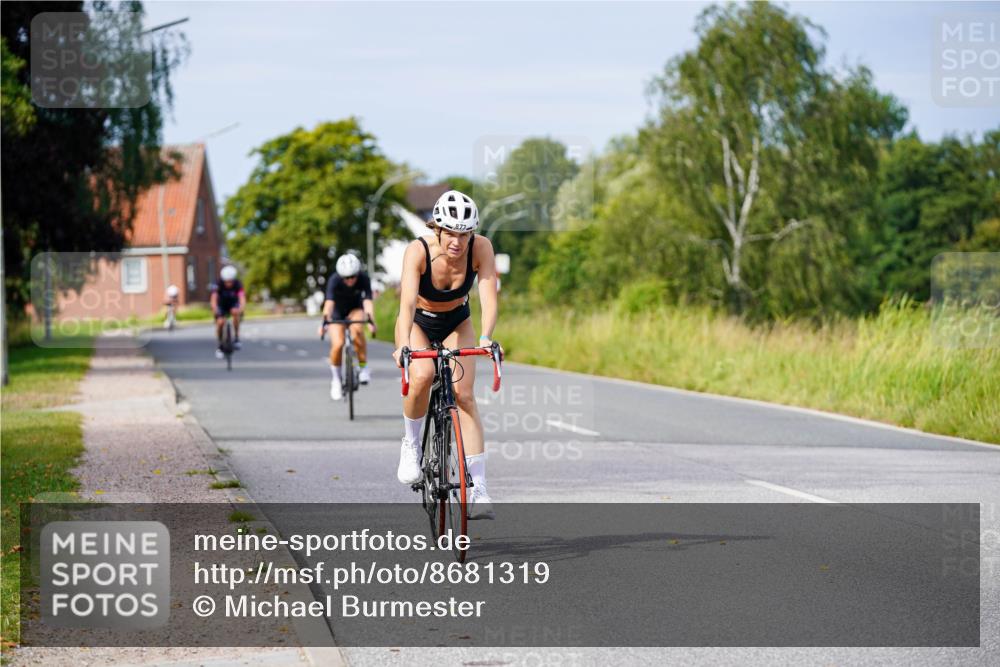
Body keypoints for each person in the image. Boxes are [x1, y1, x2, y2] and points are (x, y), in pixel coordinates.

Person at [392, 190, 501, 520]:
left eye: (464, 234)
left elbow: (488, 297)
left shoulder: (481, 248)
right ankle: (411, 444)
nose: (457, 242)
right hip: (420, 323)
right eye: (451, 233)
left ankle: (478, 488)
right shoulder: (418, 251)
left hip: (457, 321)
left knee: (464, 395)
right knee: (423, 375)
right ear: (437, 229)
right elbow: (406, 307)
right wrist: (402, 345)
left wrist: (486, 337)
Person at [320, 253, 376, 401]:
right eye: (346, 278)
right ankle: (336, 380)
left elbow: (368, 302)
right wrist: (324, 322)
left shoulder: (364, 278)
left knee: (357, 332)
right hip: (337, 312)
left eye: (353, 276)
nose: (350, 280)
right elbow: (329, 303)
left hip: (355, 309)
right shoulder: (334, 280)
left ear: (357, 273)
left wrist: (371, 321)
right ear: (341, 276)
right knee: (338, 344)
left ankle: (363, 367)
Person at [210, 265, 245, 358]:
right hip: (221, 304)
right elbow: (213, 298)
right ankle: (220, 345)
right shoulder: (218, 284)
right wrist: (215, 309)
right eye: (226, 281)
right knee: (220, 322)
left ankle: (236, 338)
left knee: (235, 312)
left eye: (230, 281)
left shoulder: (238, 284)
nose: (228, 284)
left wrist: (241, 309)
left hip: (233, 303)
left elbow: (242, 297)